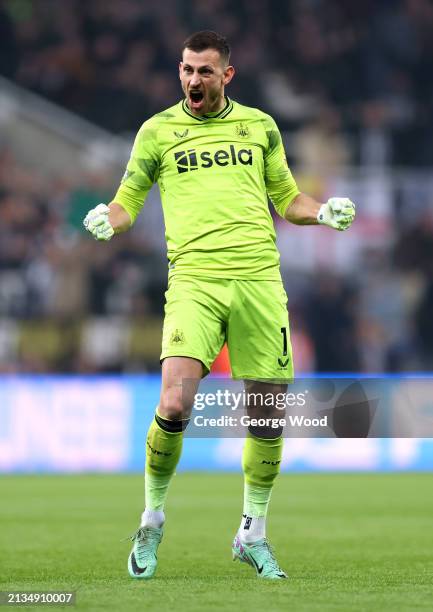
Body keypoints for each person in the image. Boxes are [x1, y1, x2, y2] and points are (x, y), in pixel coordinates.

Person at [83, 30, 355, 580]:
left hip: (258, 280)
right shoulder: (157, 131)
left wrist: (323, 212)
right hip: (195, 281)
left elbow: (287, 198)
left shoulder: (259, 127)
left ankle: (252, 532)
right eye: (186, 69)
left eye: (204, 71)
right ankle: (152, 519)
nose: (192, 80)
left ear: (226, 75)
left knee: (266, 415)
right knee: (177, 399)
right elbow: (128, 198)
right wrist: (106, 218)